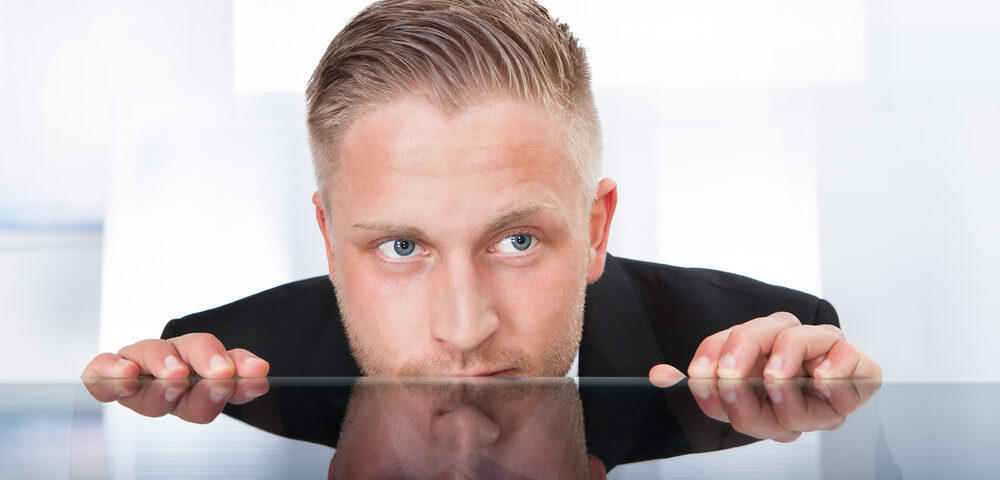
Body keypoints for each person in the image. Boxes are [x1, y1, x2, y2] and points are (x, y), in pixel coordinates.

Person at [82, 0, 880, 382]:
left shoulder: (768, 363)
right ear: (328, 238)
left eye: (517, 241)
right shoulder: (224, 384)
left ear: (596, 228)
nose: (465, 330)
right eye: (401, 247)